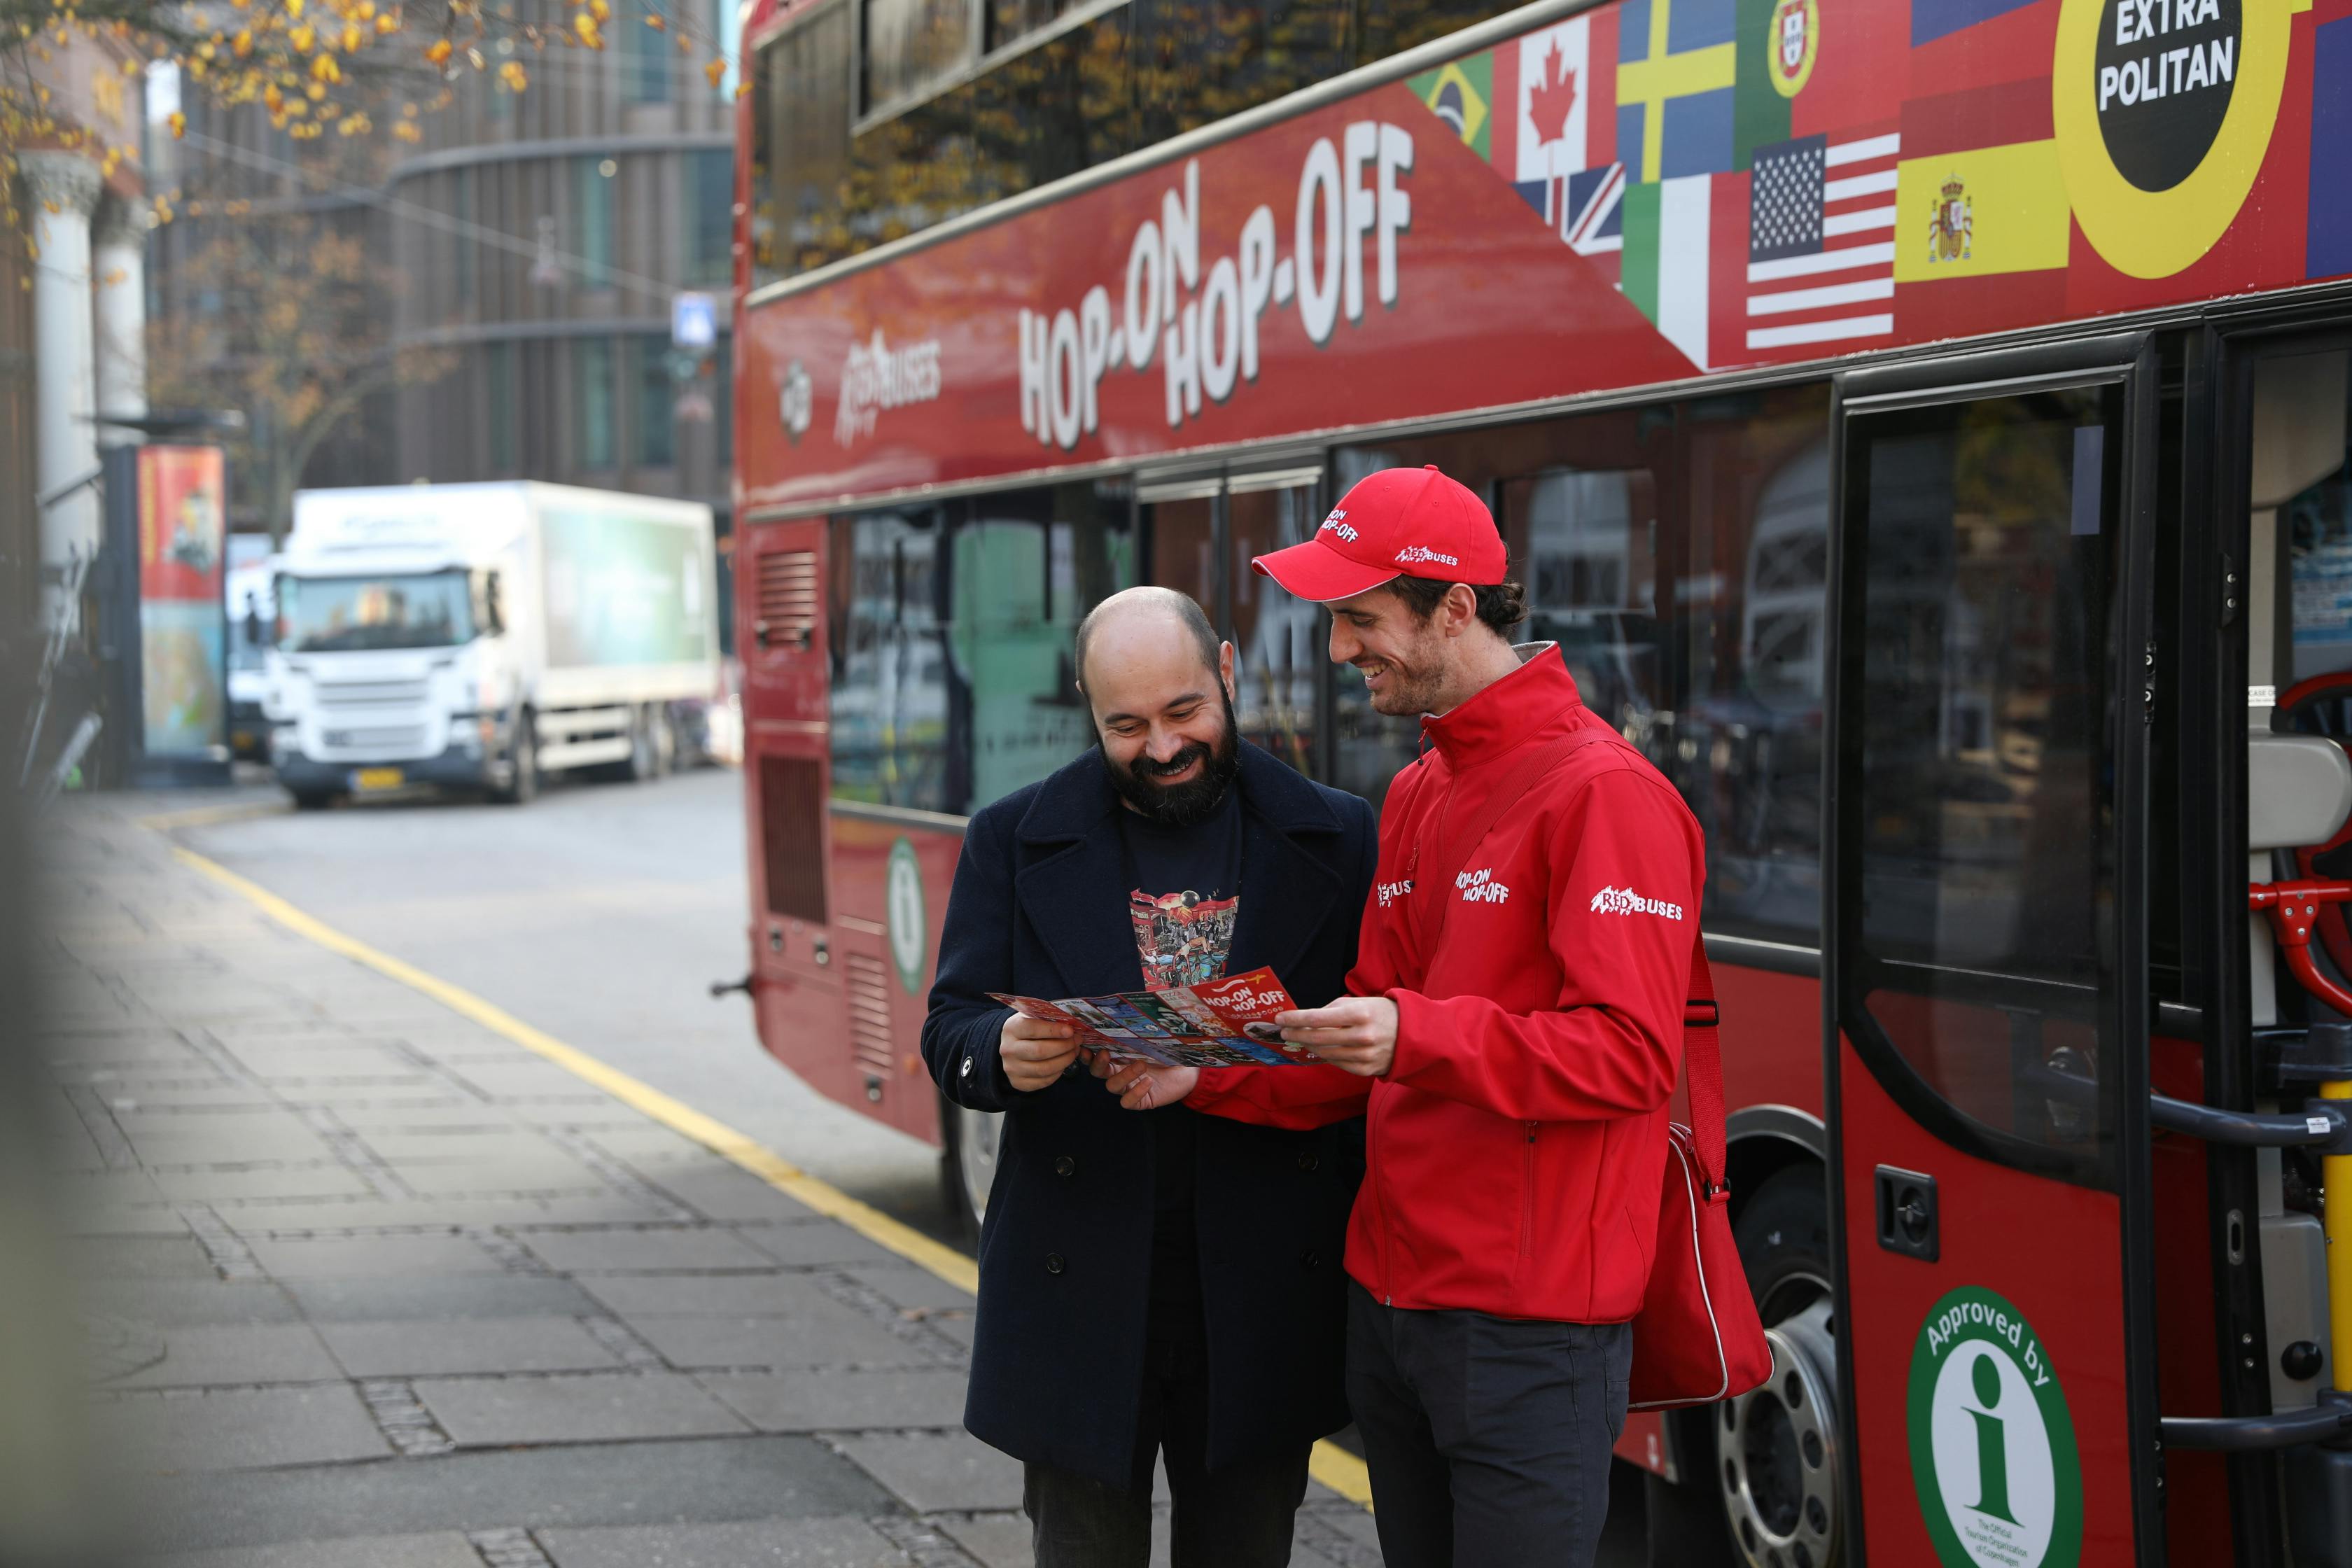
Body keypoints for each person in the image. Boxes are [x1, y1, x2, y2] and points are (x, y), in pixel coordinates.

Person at [1098, 468, 1706, 1568]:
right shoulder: (1422, 789)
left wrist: (1412, 1036)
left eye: (1361, 620)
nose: (1337, 651)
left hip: (1532, 1328)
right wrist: (1203, 1071)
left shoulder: (1605, 794)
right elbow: (1358, 1041)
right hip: (1391, 1304)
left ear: (1457, 608)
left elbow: (1631, 1055)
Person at [920, 586, 1379, 1568]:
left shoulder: (1343, 836)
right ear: (1088, 712)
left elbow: (1369, 1057)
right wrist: (998, 1051)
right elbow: (948, 1027)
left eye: (1183, 714)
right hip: (1079, 1287)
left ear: (1226, 668)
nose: (1163, 749)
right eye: (1125, 726)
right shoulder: (1011, 836)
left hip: (1261, 1289)